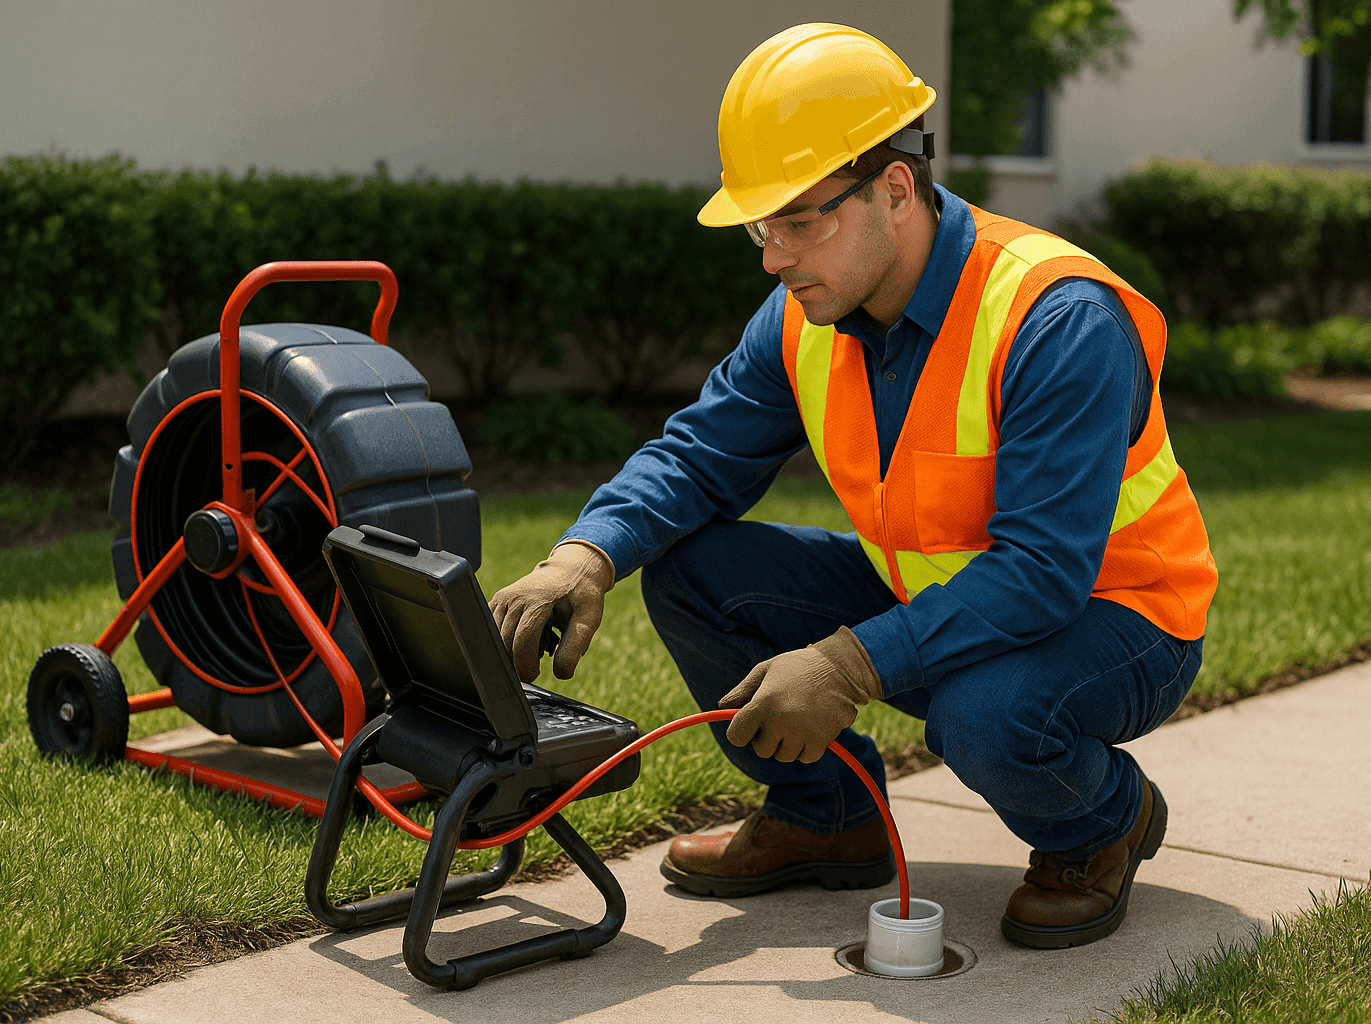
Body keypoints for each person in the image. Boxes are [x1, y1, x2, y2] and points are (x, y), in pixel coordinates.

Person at [489, 22, 1216, 950]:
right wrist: (584, 555)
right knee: (694, 569)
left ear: (896, 189)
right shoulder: (806, 313)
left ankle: (1102, 823)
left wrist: (847, 662)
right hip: (941, 595)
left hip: (1120, 619)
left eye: (798, 220)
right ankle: (827, 815)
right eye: (762, 225)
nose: (773, 256)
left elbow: (1041, 574)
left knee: (984, 714)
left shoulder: (1056, 319)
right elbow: (699, 454)